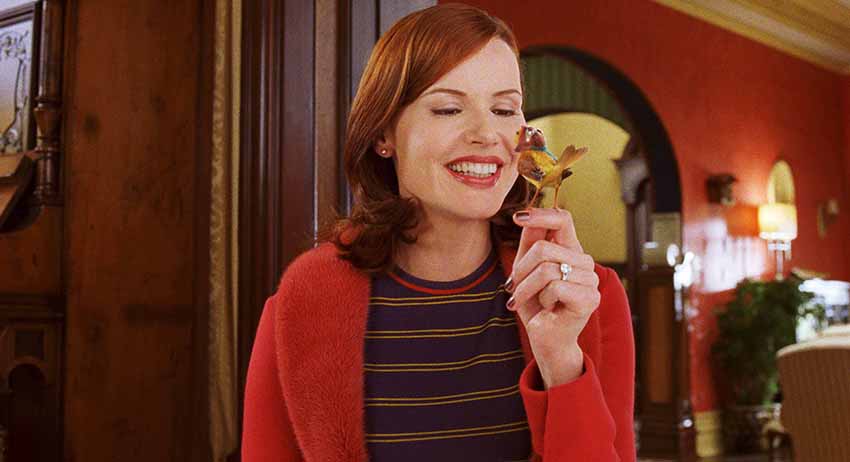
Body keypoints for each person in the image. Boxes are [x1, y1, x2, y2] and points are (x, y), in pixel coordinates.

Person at [241, 4, 635, 461]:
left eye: (504, 109)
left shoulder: (590, 300)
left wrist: (562, 360)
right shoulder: (302, 304)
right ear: (383, 133)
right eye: (448, 108)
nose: (487, 133)